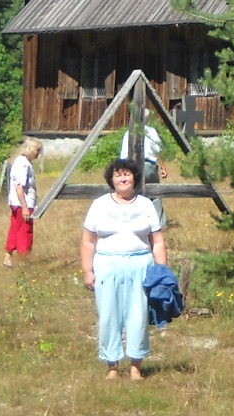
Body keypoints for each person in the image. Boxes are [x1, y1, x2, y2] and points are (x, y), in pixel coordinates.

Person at [80, 158, 168, 380]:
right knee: (109, 315)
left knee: (138, 316)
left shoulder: (146, 204)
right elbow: (88, 241)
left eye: (127, 174)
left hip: (140, 264)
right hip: (107, 265)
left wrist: (162, 273)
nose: (122, 178)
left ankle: (136, 366)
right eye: (118, 174)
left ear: (135, 178)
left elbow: (157, 241)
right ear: (112, 179)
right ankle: (112, 366)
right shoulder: (100, 204)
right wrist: (87, 271)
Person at [118, 123, 168, 226]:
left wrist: (122, 173)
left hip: (131, 165)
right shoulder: (151, 131)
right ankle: (159, 223)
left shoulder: (129, 132)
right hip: (149, 165)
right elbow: (158, 151)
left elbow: (123, 155)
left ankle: (133, 221)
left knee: (132, 194)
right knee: (155, 193)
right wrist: (163, 167)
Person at [4, 137, 43, 267]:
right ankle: (23, 262)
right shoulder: (23, 164)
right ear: (30, 149)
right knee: (25, 232)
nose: (38, 153)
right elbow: (19, 186)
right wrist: (25, 207)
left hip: (19, 203)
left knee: (15, 229)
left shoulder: (22, 162)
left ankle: (8, 259)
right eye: (37, 150)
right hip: (22, 205)